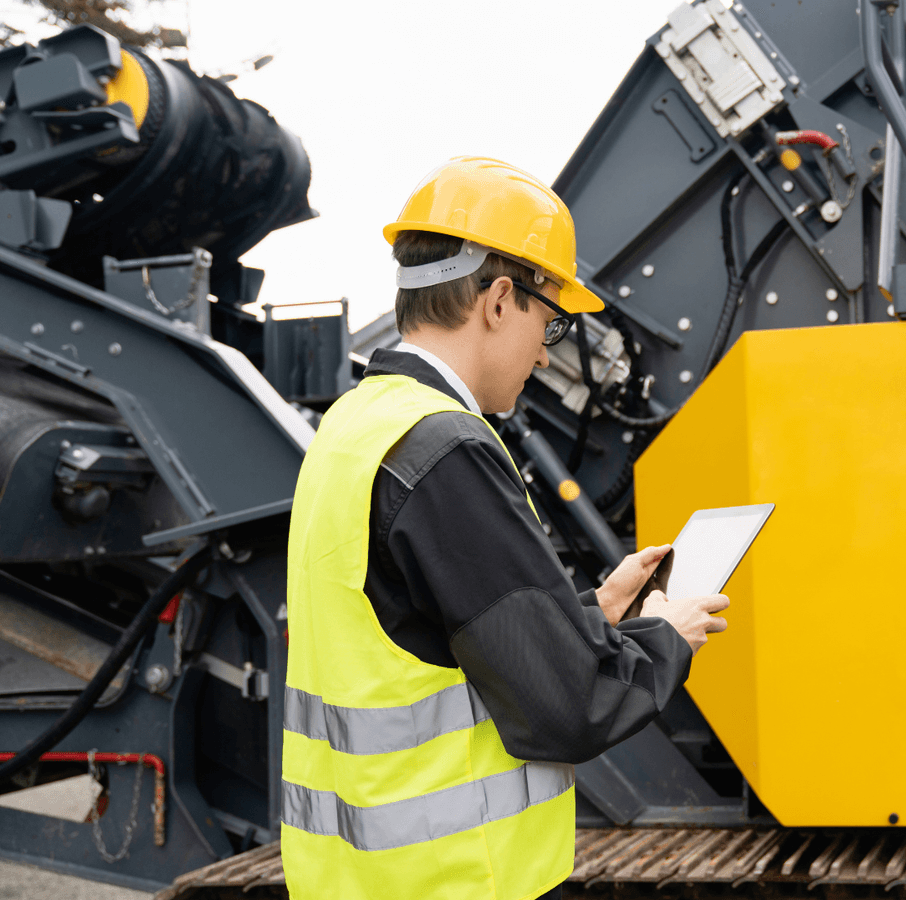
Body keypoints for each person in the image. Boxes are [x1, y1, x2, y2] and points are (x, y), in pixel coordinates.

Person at [280, 156, 729, 900]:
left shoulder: (356, 425)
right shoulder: (445, 447)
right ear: (495, 301)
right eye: (547, 319)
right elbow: (570, 709)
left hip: (358, 876)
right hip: (458, 878)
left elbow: (414, 639)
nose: (546, 350)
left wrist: (592, 611)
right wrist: (663, 635)